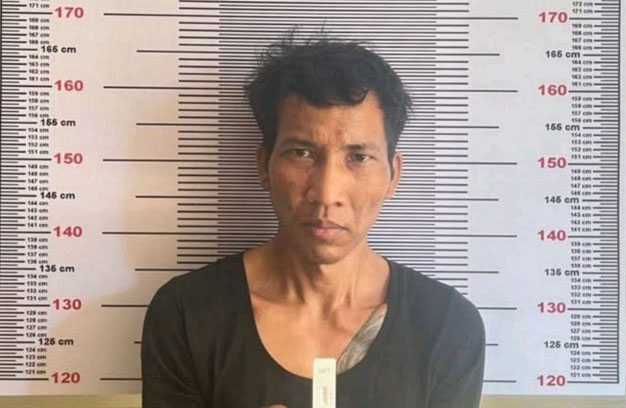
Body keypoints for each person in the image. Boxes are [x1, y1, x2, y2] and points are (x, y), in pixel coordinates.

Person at [141, 27, 486, 408]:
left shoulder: (446, 326)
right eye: (301, 153)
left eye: (359, 157)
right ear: (264, 165)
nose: (326, 193)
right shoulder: (187, 314)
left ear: (393, 175)